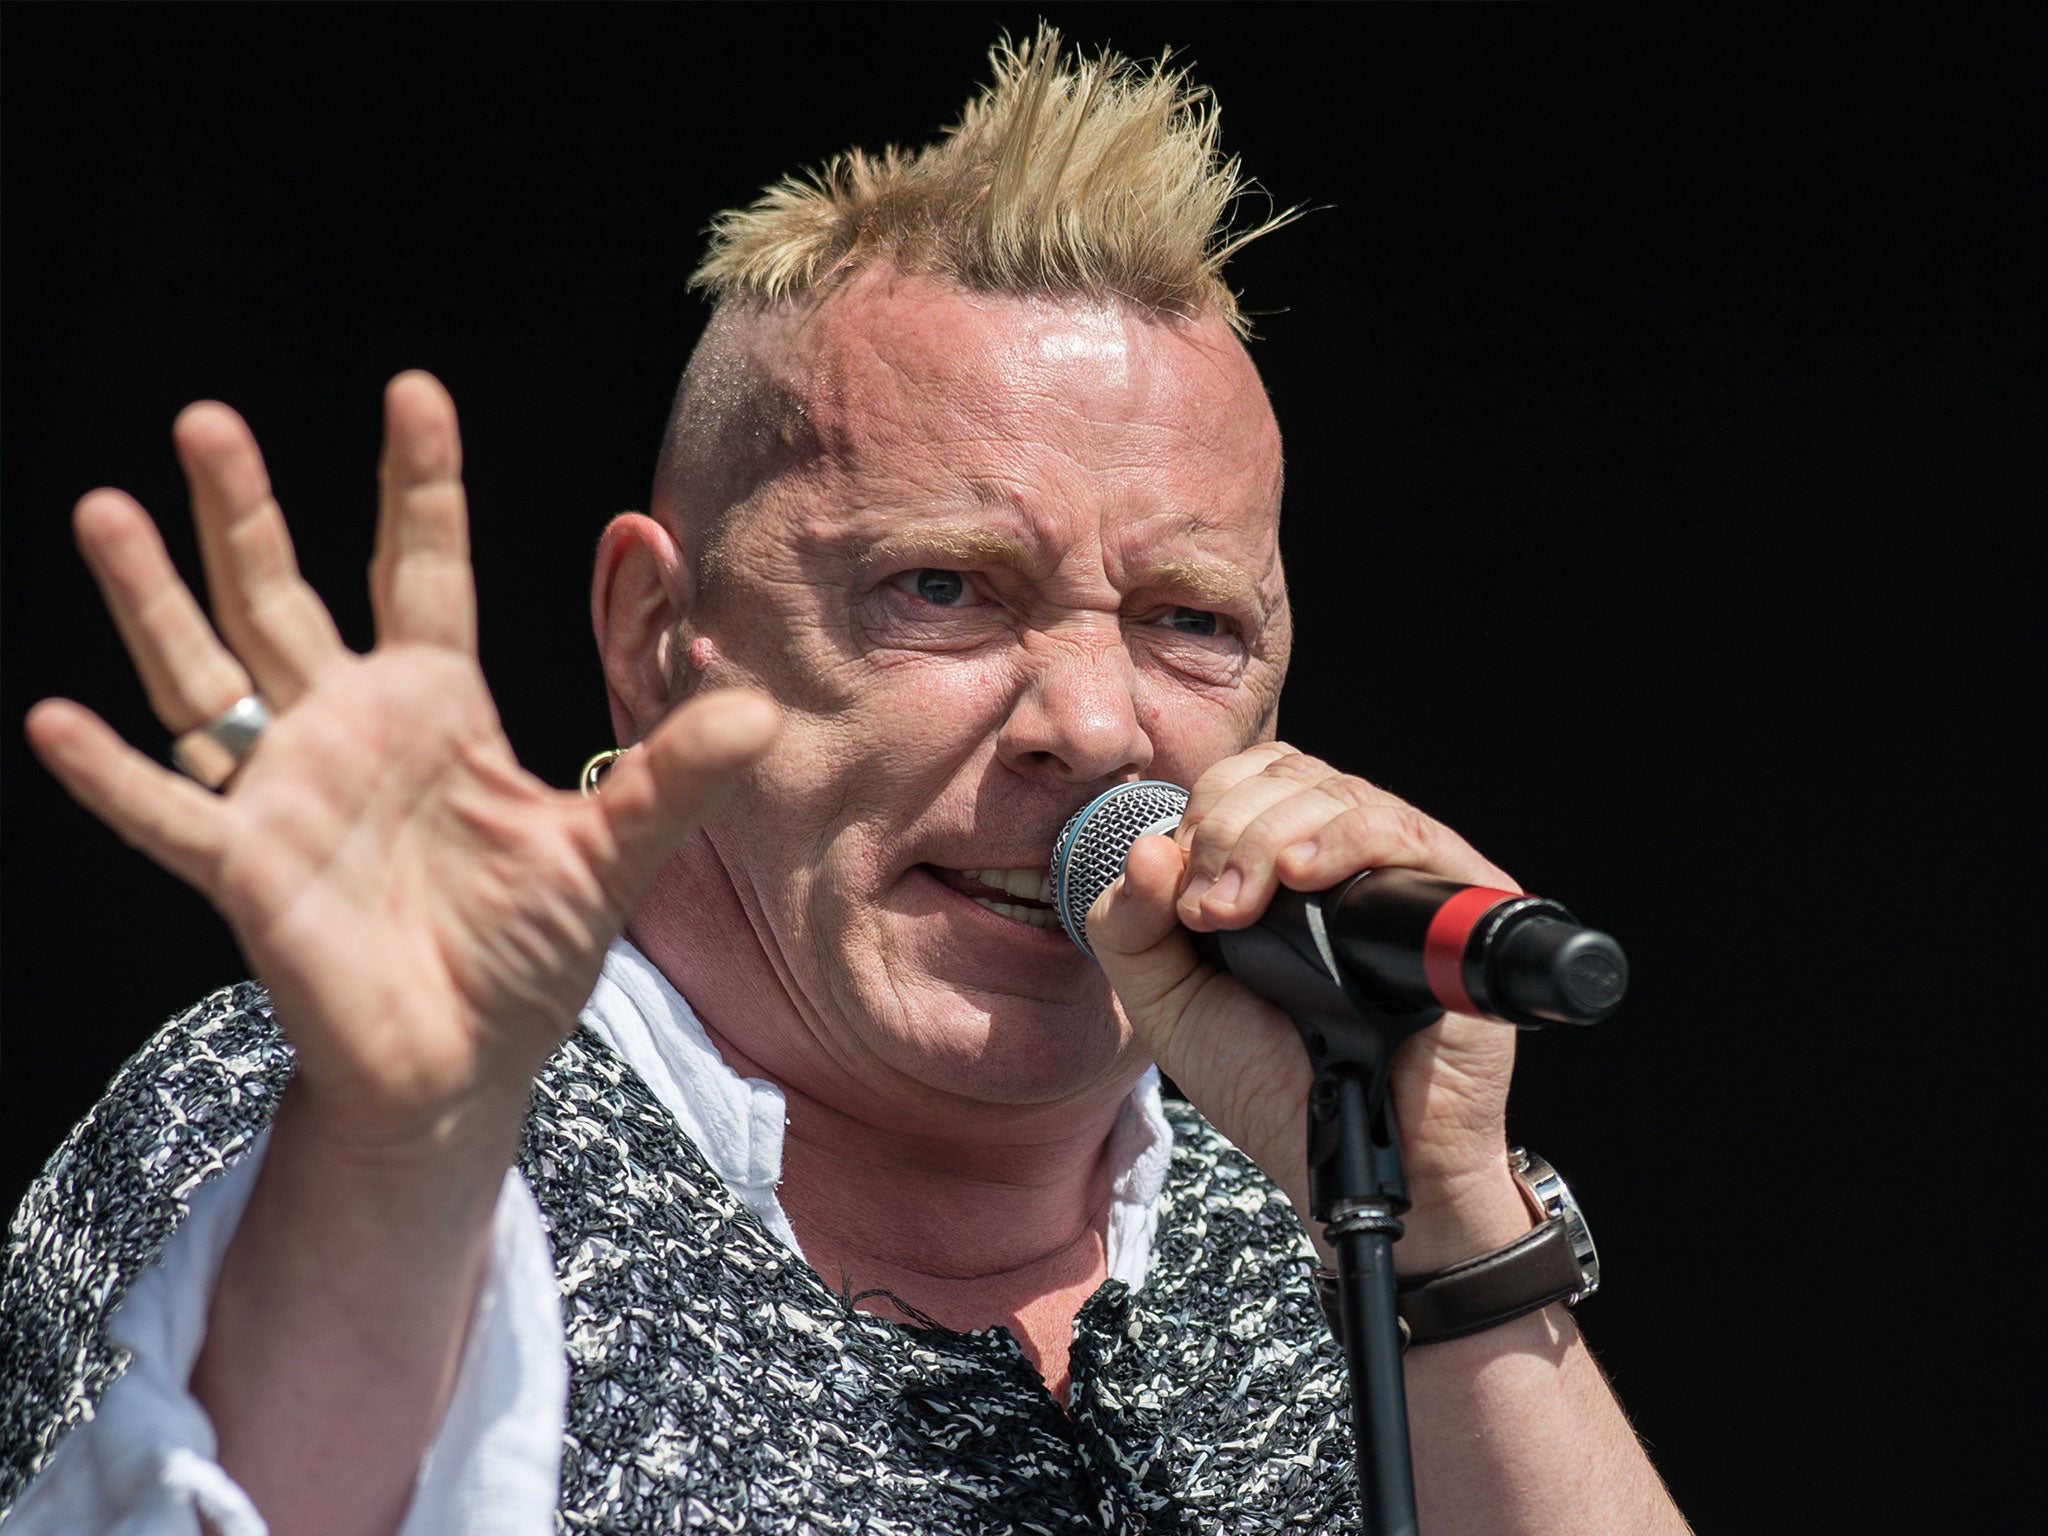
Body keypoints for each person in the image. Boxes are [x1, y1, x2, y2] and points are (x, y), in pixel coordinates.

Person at [3, 30, 1688, 1535]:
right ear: (661, 633)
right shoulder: (345, 1125)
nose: (1092, 724)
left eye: (1189, 621)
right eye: (946, 589)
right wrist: (396, 1148)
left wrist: (1449, 1225)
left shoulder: (1342, 1208)